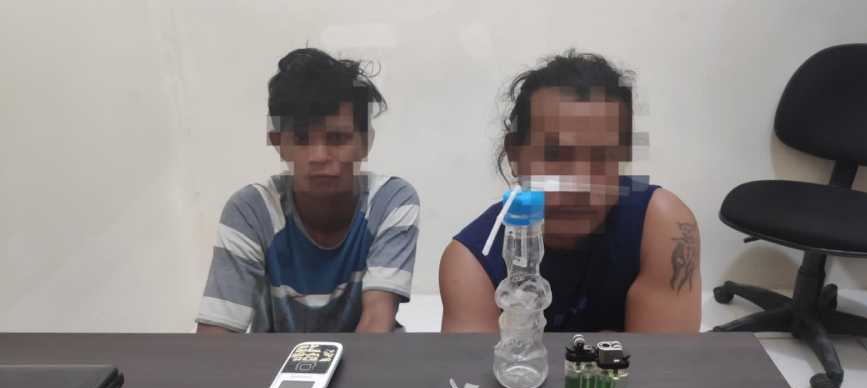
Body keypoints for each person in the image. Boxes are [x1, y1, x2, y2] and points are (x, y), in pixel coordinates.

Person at [440, 50, 700, 334]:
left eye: (602, 156)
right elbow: (475, 366)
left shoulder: (662, 225)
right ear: (515, 154)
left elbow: (665, 358)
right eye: (554, 154)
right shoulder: (473, 263)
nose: (580, 184)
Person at [196, 48, 419, 334]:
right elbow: (216, 338)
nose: (318, 156)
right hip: (277, 362)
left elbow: (377, 322)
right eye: (301, 139)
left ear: (365, 143)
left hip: (370, 357)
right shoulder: (251, 211)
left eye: (336, 138)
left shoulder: (391, 202)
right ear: (280, 144)